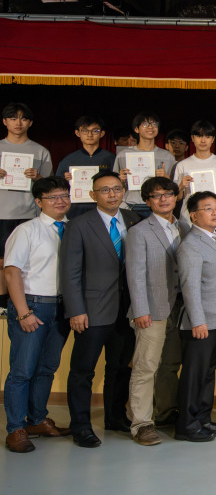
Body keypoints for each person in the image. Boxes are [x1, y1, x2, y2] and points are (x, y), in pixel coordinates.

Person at [60, 171, 140, 448]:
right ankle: (81, 426)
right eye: (105, 190)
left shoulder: (133, 219)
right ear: (93, 194)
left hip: (127, 310)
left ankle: (115, 417)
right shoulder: (79, 225)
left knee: (119, 367)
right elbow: (69, 272)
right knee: (83, 371)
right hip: (91, 311)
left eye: (116, 188)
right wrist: (76, 310)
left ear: (123, 191)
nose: (112, 194)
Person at [3, 176, 71, 453]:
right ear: (39, 202)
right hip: (33, 305)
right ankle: (15, 428)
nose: (60, 201)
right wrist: (23, 312)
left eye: (64, 195)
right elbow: (11, 272)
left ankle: (37, 419)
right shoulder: (26, 230)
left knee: (47, 368)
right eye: (53, 197)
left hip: (63, 307)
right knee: (22, 371)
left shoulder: (73, 229)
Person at [125, 177, 188, 446]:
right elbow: (135, 275)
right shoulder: (139, 232)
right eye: (156, 195)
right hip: (151, 308)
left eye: (169, 194)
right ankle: (141, 423)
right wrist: (140, 310)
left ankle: (164, 412)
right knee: (145, 366)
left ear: (176, 196)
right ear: (147, 201)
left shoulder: (184, 226)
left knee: (170, 364)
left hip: (180, 307)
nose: (164, 199)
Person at [174, 191, 216, 442]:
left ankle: (202, 418)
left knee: (207, 372)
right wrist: (197, 320)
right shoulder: (191, 244)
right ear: (193, 216)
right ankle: (186, 426)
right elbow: (190, 287)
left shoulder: (215, 237)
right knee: (194, 375)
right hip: (201, 322)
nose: (215, 212)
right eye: (208, 208)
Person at [0, 103, 53, 314]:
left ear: (30, 123)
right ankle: (2, 304)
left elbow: (49, 187)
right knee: (2, 261)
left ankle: (23, 302)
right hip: (2, 213)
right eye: (13, 118)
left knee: (27, 262)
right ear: (5, 121)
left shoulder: (40, 151)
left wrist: (38, 177)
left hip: (30, 214)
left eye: (23, 119)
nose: (18, 123)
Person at [114, 112, 175, 218]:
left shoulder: (167, 156)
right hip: (130, 205)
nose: (150, 127)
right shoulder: (123, 155)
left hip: (158, 206)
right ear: (136, 129)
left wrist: (167, 180)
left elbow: (175, 189)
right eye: (145, 124)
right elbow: (114, 186)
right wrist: (121, 181)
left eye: (154, 124)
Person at [56, 115, 116, 218]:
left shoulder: (111, 158)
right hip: (75, 211)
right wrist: (64, 180)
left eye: (95, 131)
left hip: (103, 209)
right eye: (85, 131)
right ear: (77, 133)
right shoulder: (68, 160)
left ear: (102, 133)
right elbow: (56, 187)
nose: (89, 134)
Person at [172, 121, 216, 218]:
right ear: (193, 138)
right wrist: (181, 186)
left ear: (213, 139)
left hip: (213, 218)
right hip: (188, 218)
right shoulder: (182, 165)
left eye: (207, 137)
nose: (203, 141)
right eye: (199, 136)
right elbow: (178, 197)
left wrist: (212, 207)